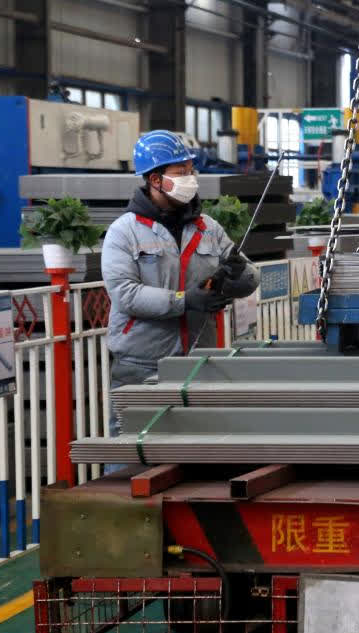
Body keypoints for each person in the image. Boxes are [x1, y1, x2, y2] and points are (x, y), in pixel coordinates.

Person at [102, 130, 260, 445]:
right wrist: (185, 300)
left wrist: (237, 275)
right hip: (142, 363)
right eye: (181, 172)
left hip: (201, 359)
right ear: (155, 180)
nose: (190, 178)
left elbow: (250, 278)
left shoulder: (208, 228)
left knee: (198, 448)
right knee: (134, 447)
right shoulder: (124, 233)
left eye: (191, 170)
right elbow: (125, 294)